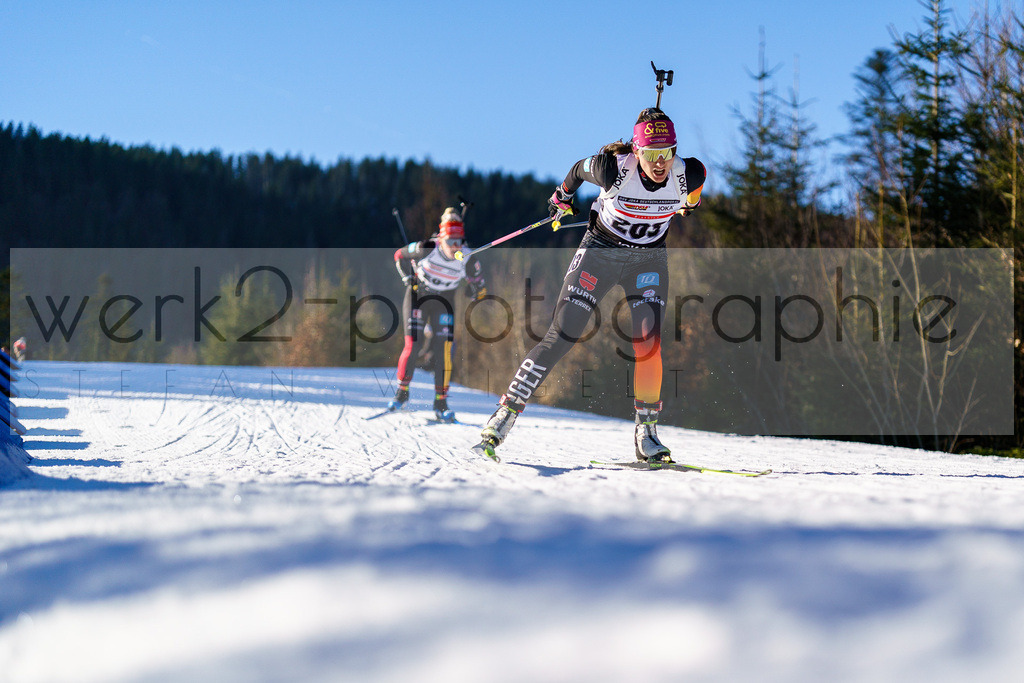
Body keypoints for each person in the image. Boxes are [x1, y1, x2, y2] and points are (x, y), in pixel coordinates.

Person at [477, 107, 705, 461]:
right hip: (600, 254)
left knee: (649, 342)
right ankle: (505, 413)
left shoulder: (690, 173)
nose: (660, 162)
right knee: (563, 334)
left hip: (647, 261)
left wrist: (683, 206)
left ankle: (647, 433)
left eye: (666, 152)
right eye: (651, 154)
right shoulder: (610, 168)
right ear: (637, 151)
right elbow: (575, 171)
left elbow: (691, 202)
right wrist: (562, 198)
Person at [389, 207, 487, 421]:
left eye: (459, 241)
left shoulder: (468, 258)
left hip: (444, 302)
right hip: (418, 296)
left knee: (444, 350)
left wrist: (475, 290)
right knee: (413, 344)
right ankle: (402, 393)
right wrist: (408, 278)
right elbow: (399, 255)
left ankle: (441, 402)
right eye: (450, 241)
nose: (455, 246)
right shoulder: (427, 248)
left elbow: (479, 287)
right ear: (441, 239)